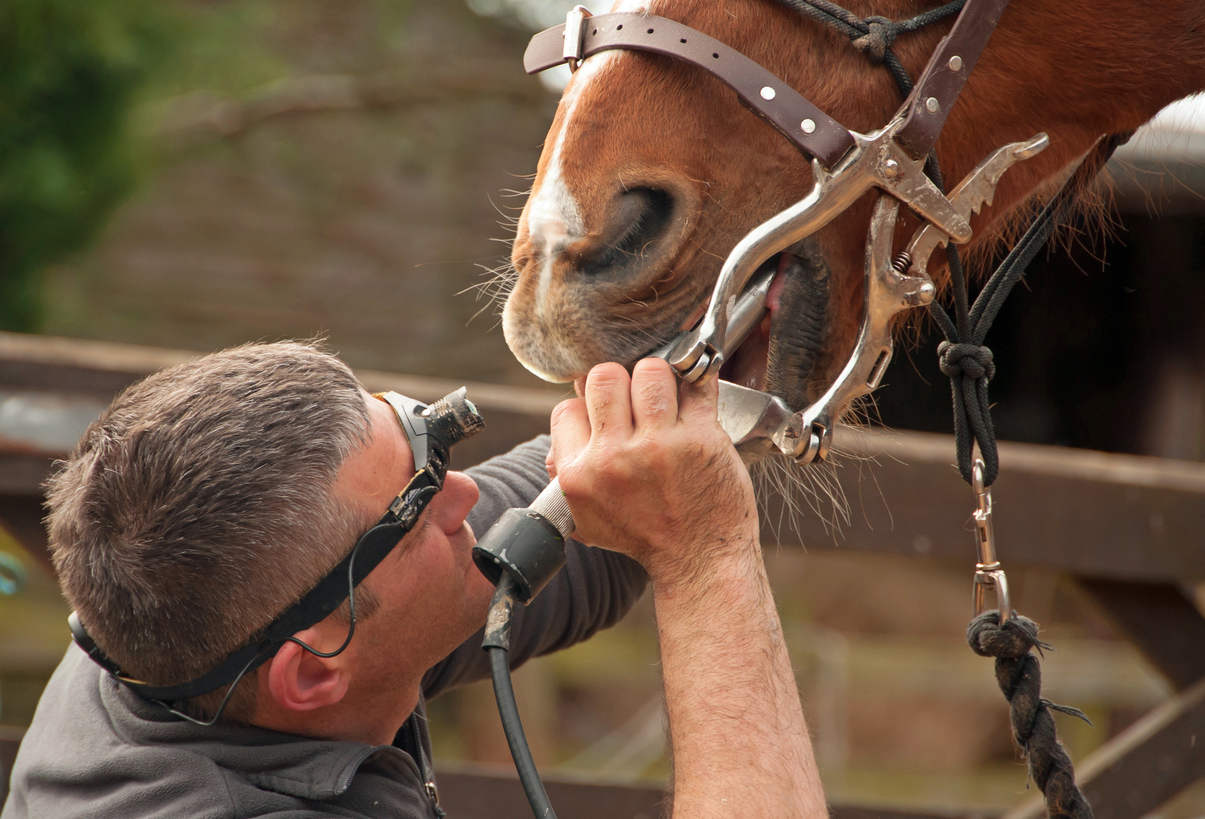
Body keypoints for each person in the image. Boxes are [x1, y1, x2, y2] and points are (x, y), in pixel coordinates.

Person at [2, 341, 825, 818]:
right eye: (416, 504)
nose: (466, 492)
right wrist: (709, 557)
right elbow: (679, 535)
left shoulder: (189, 632)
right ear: (314, 667)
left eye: (429, 447)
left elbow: (600, 517)